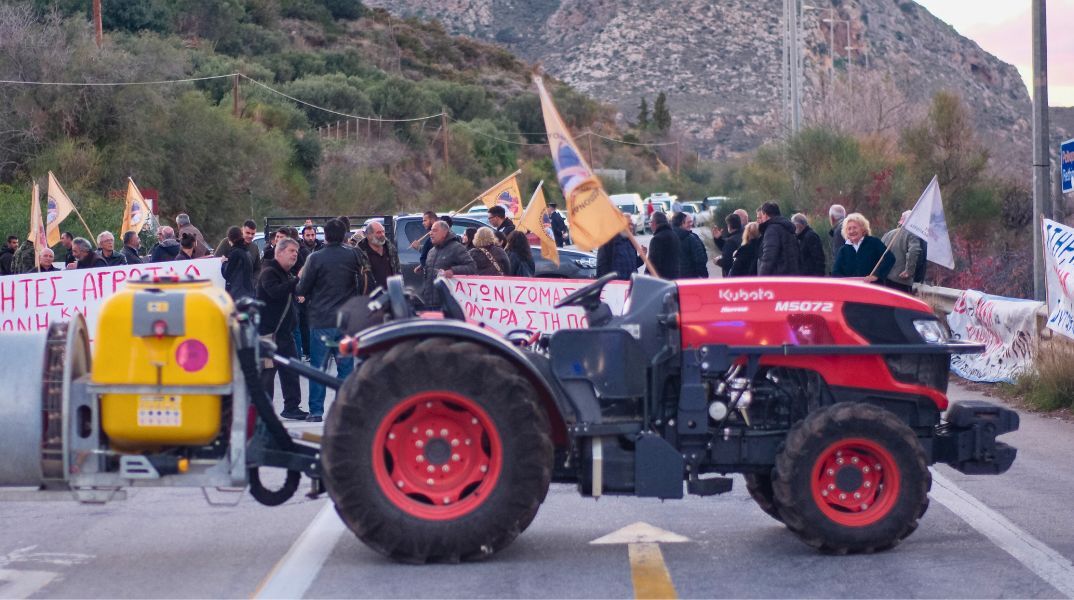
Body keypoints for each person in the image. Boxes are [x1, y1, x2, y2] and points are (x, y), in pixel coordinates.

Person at [297, 219, 370, 422]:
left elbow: (302, 288)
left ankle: (316, 411)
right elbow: (364, 280)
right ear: (345, 234)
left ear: (325, 235)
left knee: (318, 368)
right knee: (346, 368)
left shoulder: (315, 258)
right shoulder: (353, 254)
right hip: (345, 321)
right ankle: (343, 411)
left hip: (321, 320)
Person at [257, 237, 306, 421]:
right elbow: (275, 292)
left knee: (290, 371)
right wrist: (297, 280)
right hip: (269, 335)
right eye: (291, 251)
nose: (295, 254)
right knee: (267, 374)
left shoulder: (286, 274)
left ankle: (291, 407)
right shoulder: (269, 272)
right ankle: (265, 411)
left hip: (285, 334)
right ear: (279, 252)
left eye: (296, 251)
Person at [421, 221, 477, 304]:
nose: (430, 233)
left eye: (435, 230)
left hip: (448, 303)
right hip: (429, 302)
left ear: (444, 233)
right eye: (431, 230)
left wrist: (453, 271)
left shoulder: (456, 248)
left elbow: (472, 267)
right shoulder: (431, 251)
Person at [832, 212, 893, 283]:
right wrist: (846, 282)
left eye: (855, 228)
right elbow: (836, 272)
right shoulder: (843, 250)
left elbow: (889, 258)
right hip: (852, 288)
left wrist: (876, 275)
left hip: (873, 287)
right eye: (849, 229)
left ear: (863, 229)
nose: (852, 231)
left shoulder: (874, 243)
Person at [881, 210, 923, 294]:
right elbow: (914, 250)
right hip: (901, 280)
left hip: (884, 278)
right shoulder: (912, 235)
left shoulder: (889, 234)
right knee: (900, 303)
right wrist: (909, 270)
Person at [756, 202, 800, 276]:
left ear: (765, 214)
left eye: (762, 215)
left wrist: (762, 277)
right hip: (791, 274)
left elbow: (768, 256)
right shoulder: (787, 228)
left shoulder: (772, 230)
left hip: (777, 277)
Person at [357, 220, 401, 290]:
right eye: (378, 232)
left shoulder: (390, 248)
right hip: (371, 294)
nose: (382, 235)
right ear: (369, 235)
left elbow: (398, 271)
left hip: (391, 292)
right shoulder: (359, 252)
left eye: (383, 231)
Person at [221, 226, 254, 300]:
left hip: (238, 294)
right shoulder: (246, 252)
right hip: (249, 292)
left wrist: (224, 263)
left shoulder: (235, 253)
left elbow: (227, 274)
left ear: (230, 239)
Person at [672, 212, 708, 278]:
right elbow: (700, 259)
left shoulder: (667, 238)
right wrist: (703, 276)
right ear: (681, 223)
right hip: (692, 279)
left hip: (674, 280)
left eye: (691, 222)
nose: (691, 224)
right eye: (688, 222)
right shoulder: (691, 238)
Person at [646, 211, 680, 280]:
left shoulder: (657, 239)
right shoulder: (674, 235)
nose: (650, 225)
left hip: (661, 279)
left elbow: (652, 263)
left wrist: (646, 277)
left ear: (654, 223)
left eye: (650, 222)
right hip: (675, 277)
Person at [712, 213, 742, 278]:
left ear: (729, 226)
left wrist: (718, 261)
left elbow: (727, 262)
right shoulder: (745, 235)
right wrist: (718, 239)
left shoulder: (731, 241)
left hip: (733, 276)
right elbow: (726, 248)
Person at [828, 204, 847, 272]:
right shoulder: (849, 227)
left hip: (844, 273)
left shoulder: (839, 230)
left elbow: (838, 256)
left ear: (832, 218)